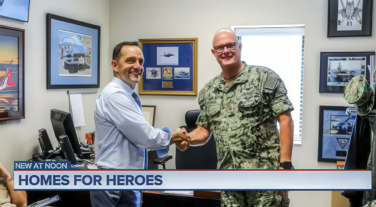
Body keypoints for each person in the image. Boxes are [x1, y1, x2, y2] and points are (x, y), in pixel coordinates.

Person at [176, 29, 294, 207]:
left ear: (239, 46)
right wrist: (186, 139)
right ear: (213, 52)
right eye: (220, 47)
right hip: (229, 180)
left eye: (230, 45)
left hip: (264, 177)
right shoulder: (209, 91)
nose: (226, 51)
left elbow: (285, 120)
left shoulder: (264, 78)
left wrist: (285, 165)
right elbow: (203, 130)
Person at [90, 41, 186, 207]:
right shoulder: (115, 95)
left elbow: (137, 138)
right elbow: (146, 136)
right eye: (130, 61)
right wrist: (175, 136)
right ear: (115, 65)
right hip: (115, 181)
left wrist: (171, 137)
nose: (138, 66)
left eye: (141, 61)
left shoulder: (125, 94)